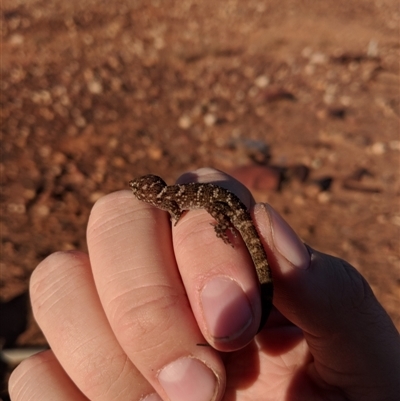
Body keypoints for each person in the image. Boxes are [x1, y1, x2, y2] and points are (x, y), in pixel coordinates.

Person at [9, 168, 400, 401]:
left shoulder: (174, 202)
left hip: (228, 210)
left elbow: (212, 205)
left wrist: (216, 225)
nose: (137, 193)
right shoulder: (173, 201)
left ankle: (255, 304)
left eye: (138, 191)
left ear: (150, 195)